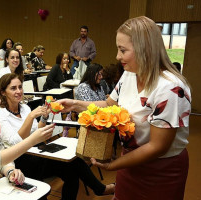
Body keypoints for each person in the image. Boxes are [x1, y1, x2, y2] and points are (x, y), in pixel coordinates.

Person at [58, 16, 191, 200]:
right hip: (130, 162)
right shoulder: (129, 74)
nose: (117, 56)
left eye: (122, 50)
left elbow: (157, 146)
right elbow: (108, 105)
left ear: (145, 49)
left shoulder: (170, 88)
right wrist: (76, 104)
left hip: (160, 170)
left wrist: (115, 164)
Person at [0, 73, 115, 200]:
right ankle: (100, 189)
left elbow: (37, 130)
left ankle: (99, 189)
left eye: (20, 87)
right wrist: (31, 117)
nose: (19, 91)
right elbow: (15, 143)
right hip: (21, 159)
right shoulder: (0, 114)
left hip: (37, 152)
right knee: (71, 167)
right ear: (3, 92)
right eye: (13, 88)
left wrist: (45, 115)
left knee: (73, 169)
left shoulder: (24, 107)